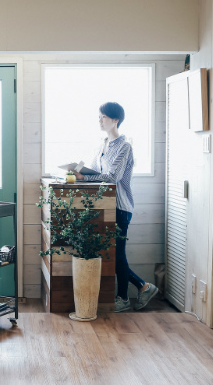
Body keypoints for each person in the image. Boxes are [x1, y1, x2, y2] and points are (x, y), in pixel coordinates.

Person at [74, 102, 158, 312]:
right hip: (105, 204)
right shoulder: (102, 145)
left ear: (115, 119)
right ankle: (142, 287)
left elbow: (112, 177)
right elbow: (95, 172)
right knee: (112, 253)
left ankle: (124, 297)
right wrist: (78, 173)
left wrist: (84, 177)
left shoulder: (124, 146)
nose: (100, 120)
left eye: (103, 117)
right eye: (99, 117)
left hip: (120, 205)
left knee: (117, 253)